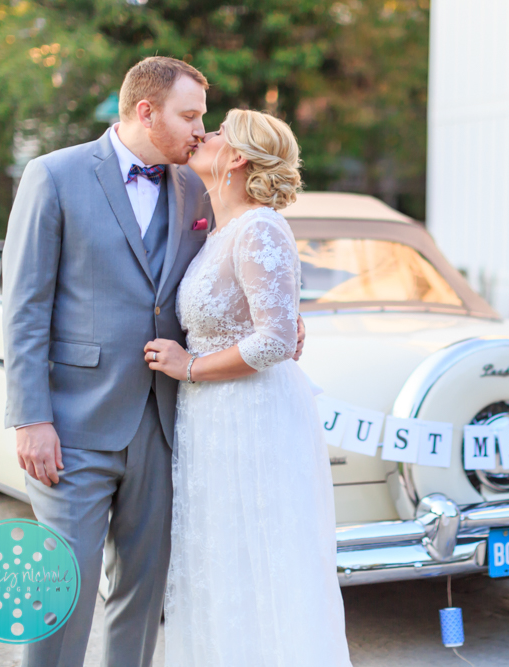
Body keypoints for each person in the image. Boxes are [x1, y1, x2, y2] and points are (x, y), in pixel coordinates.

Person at [2, 57, 305, 667]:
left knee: (142, 596)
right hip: (74, 424)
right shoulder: (53, 176)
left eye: (202, 118)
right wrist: (30, 416)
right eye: (189, 115)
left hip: (169, 426)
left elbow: (239, 266)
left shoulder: (198, 184)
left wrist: (287, 318)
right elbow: (24, 306)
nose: (200, 129)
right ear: (146, 110)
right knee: (63, 585)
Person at [144, 109, 352, 665]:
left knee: (261, 557)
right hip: (211, 420)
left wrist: (189, 366)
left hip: (252, 418)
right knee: (221, 564)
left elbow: (275, 341)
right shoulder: (220, 232)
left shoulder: (261, 226)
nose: (201, 135)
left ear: (235, 157)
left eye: (215, 132)